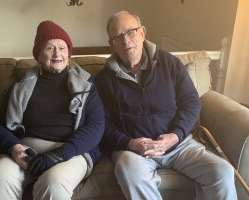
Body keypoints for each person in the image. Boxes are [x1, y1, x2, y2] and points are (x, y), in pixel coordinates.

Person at [95, 11, 237, 200]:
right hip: (134, 150)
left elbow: (191, 102)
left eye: (130, 32)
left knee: (222, 171)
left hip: (179, 144)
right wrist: (129, 143)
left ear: (143, 32)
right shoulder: (104, 80)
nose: (126, 41)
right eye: (118, 37)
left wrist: (175, 135)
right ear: (111, 43)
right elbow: (102, 124)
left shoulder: (169, 63)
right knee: (129, 172)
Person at [0, 20, 105, 200]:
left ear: (69, 53)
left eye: (62, 48)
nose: (57, 54)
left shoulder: (85, 85)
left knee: (53, 183)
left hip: (69, 151)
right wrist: (14, 149)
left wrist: (57, 156)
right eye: (49, 48)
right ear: (39, 55)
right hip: (25, 150)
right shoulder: (20, 88)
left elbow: (96, 125)